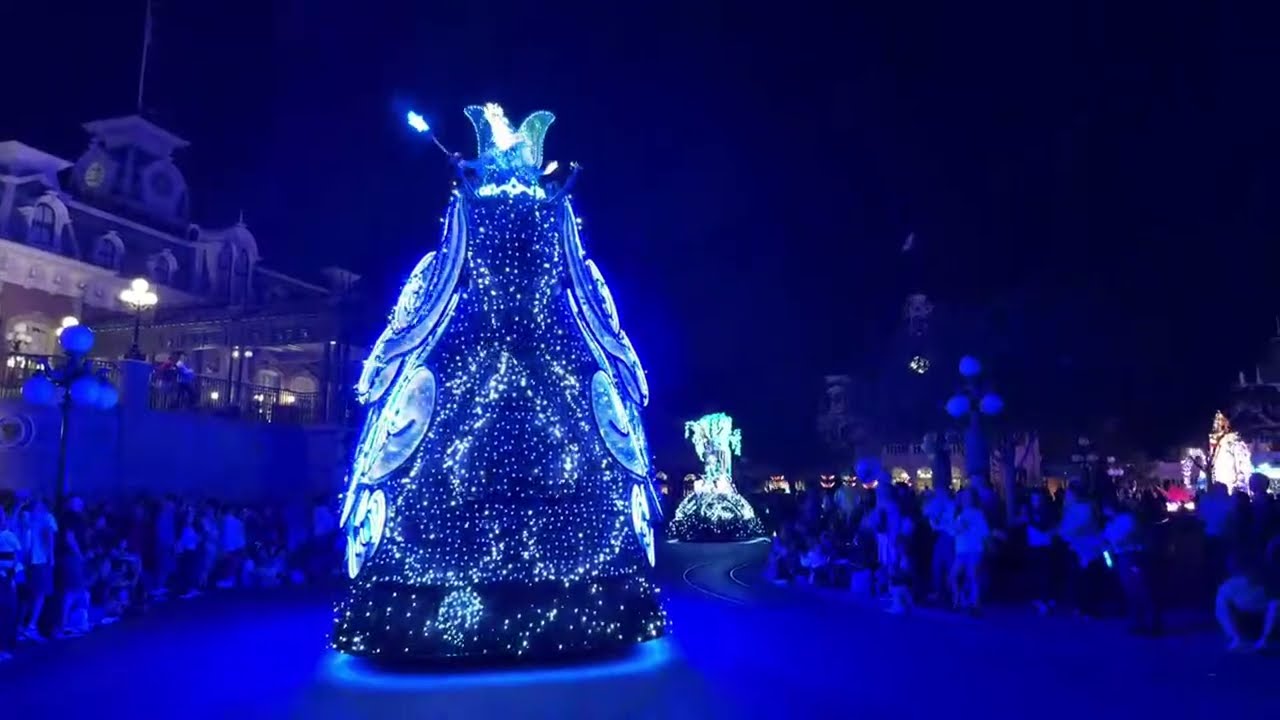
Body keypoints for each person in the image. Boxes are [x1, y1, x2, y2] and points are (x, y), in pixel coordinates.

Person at [951, 487, 990, 612]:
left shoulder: (978, 514)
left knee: (972, 575)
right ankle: (959, 599)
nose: (965, 499)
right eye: (964, 497)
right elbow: (954, 531)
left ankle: (974, 604)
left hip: (974, 549)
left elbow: (985, 532)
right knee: (953, 576)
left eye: (968, 497)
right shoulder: (960, 514)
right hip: (961, 549)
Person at [21, 497, 55, 640]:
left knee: (32, 594)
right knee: (37, 594)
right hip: (37, 560)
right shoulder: (44, 517)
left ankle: (25, 627)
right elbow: (49, 536)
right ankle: (29, 627)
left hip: (30, 560)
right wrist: (51, 556)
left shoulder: (29, 516)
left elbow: (49, 537)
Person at [0, 504, 22, 662]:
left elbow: (17, 557)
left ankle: (4, 646)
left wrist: (14, 576)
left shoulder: (9, 536)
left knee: (8, 611)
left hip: (7, 579)